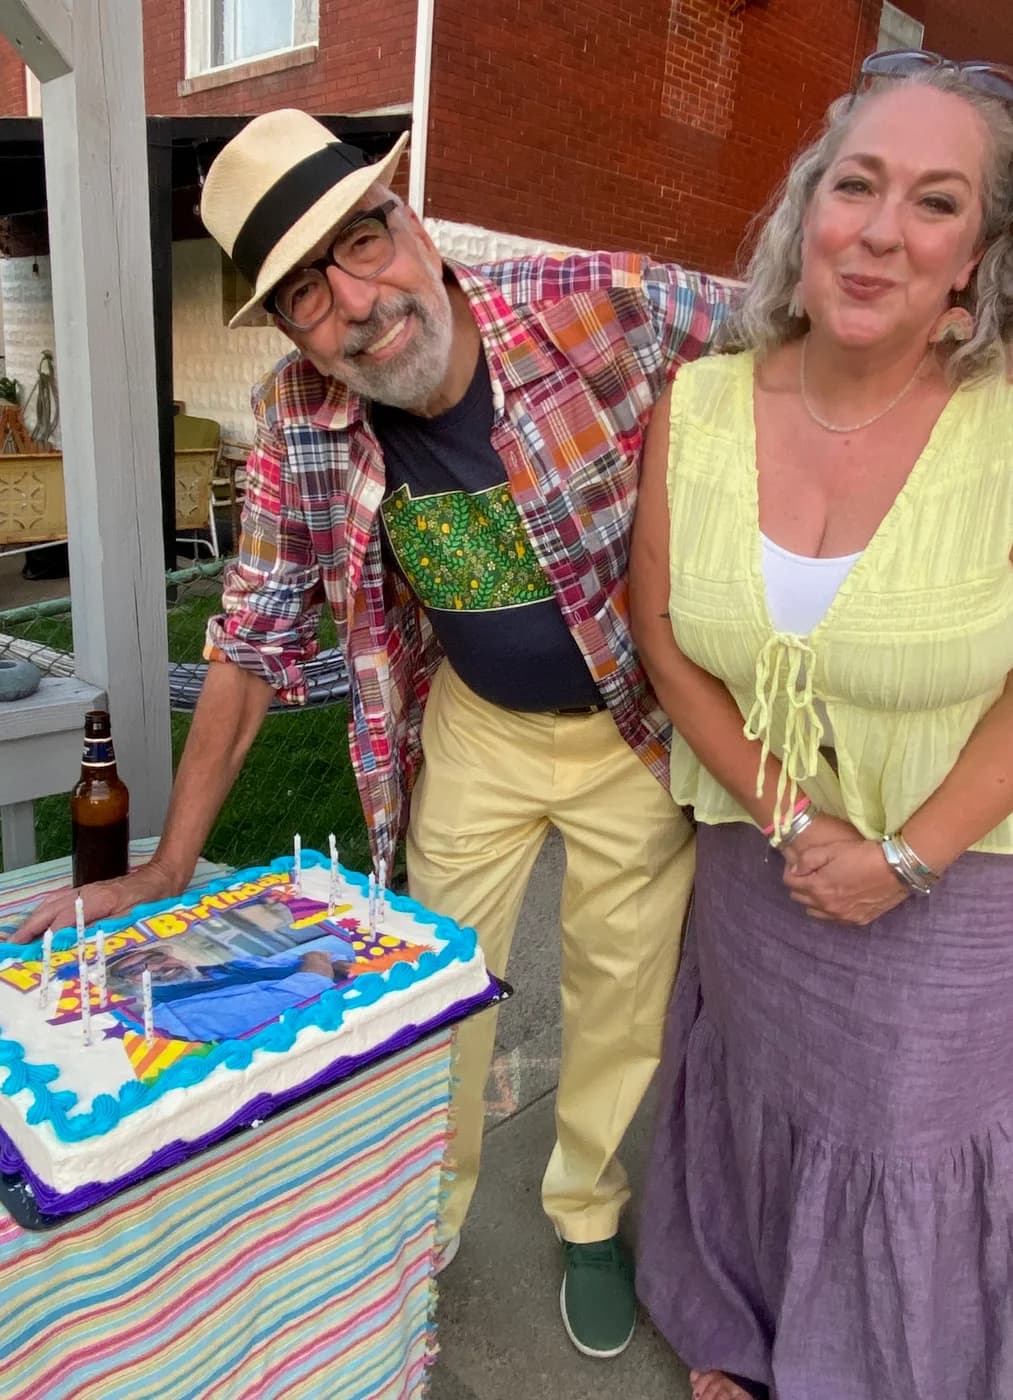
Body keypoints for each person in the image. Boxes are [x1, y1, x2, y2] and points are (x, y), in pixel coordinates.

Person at [16, 109, 730, 1356]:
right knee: (438, 975)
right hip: (476, 729)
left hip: (633, 723)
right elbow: (243, 638)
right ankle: (422, 1210)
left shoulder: (596, 301)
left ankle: (584, 1211)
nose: (357, 301)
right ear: (288, 327)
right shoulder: (298, 411)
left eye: (361, 240)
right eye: (303, 292)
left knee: (623, 994)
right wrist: (170, 865)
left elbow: (793, 329)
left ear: (411, 221)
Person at [629, 53, 1013, 1400]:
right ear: (807, 215)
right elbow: (667, 640)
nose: (881, 230)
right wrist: (800, 825)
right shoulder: (703, 405)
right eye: (857, 184)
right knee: (754, 1083)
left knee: (908, 1134)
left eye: (935, 202)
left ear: (974, 258)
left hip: (964, 868)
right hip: (761, 849)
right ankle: (741, 1323)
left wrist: (900, 857)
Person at [105, 943, 352, 1041]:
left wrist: (328, 961)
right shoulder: (171, 1015)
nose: (156, 967)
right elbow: (307, 991)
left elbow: (320, 957)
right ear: (130, 984)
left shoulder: (226, 968)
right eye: (139, 968)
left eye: (155, 957)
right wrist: (318, 962)